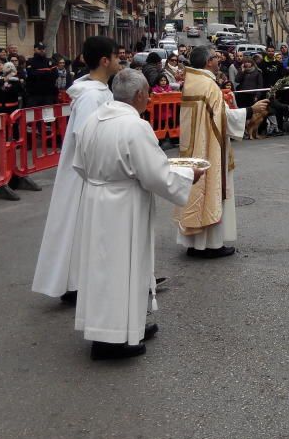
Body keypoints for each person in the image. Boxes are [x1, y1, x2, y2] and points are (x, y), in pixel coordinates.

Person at [72, 69, 205, 360]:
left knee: (101, 269)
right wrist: (187, 175)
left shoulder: (92, 120)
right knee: (123, 268)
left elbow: (78, 164)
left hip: (96, 201)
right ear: (141, 95)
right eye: (148, 96)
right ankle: (115, 340)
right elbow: (155, 175)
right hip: (124, 206)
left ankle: (116, 328)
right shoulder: (135, 126)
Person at [32, 37, 121, 304]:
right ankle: (74, 283)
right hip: (86, 173)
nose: (120, 60)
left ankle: (81, 280)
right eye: (117, 56)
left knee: (85, 228)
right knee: (79, 226)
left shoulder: (99, 90)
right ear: (105, 60)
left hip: (92, 172)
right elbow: (87, 138)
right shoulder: (91, 96)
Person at [174, 46, 269, 258]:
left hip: (192, 147)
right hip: (208, 148)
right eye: (215, 58)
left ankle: (194, 243)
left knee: (195, 192)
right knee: (211, 190)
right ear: (208, 62)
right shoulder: (209, 85)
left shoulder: (192, 82)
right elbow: (222, 119)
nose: (218, 61)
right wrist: (251, 111)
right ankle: (211, 245)